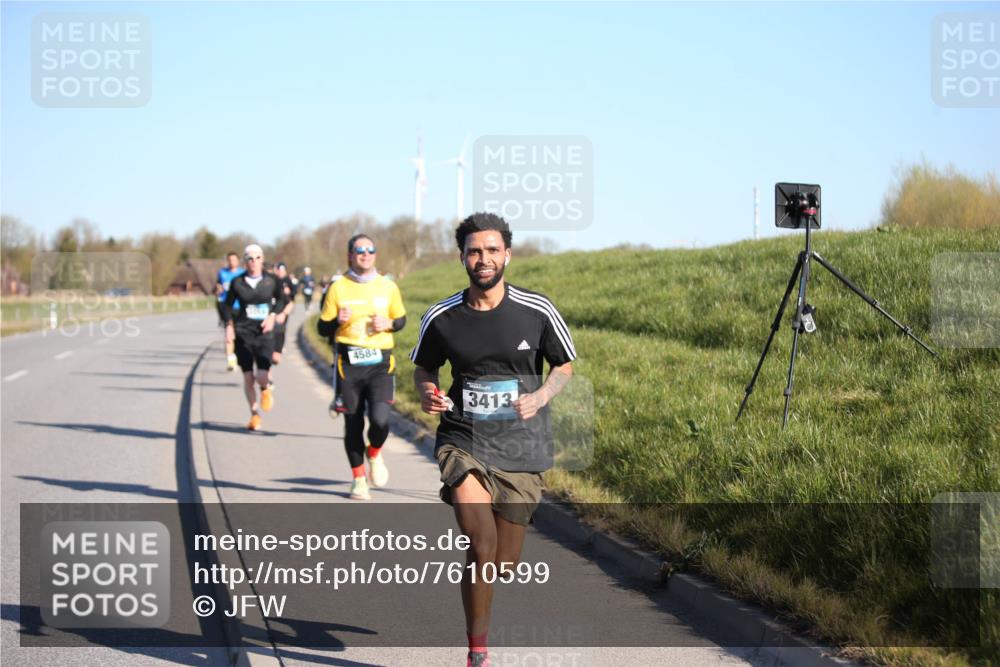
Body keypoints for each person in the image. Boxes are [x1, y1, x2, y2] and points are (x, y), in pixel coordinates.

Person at [411, 213, 575, 667]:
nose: (483, 258)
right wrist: (428, 392)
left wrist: (541, 396)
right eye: (474, 251)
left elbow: (564, 367)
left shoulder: (537, 310)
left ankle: (482, 607)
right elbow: (424, 368)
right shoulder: (442, 316)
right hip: (463, 437)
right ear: (462, 256)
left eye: (491, 250)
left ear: (507, 254)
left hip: (521, 445)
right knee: (479, 543)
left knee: (503, 562)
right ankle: (477, 653)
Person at [317, 234, 406, 501]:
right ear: (350, 255)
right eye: (359, 250)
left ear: (375, 255)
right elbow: (322, 328)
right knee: (353, 424)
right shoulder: (338, 287)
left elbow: (400, 320)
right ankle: (358, 479)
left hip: (380, 363)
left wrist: (388, 324)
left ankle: (375, 453)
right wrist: (335, 321)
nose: (365, 254)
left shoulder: (388, 286)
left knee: (380, 421)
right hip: (349, 364)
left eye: (370, 250)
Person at [223, 244, 288, 431]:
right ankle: (254, 414)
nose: (254, 262)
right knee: (248, 377)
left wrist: (272, 316)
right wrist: (229, 327)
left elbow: (282, 301)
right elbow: (227, 306)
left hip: (265, 333)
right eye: (250, 258)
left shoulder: (272, 281)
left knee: (261, 375)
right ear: (245, 261)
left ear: (262, 259)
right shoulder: (237, 283)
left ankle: (265, 388)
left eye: (257, 257)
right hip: (244, 332)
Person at [269, 261, 297, 389]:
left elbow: (291, 301)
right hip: (265, 328)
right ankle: (268, 379)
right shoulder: (260, 290)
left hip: (280, 321)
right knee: (265, 355)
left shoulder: (283, 284)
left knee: (276, 358)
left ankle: (278, 349)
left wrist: (284, 314)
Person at [215, 252, 244, 371]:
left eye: (234, 260)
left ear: (238, 261)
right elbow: (217, 287)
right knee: (228, 333)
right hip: (227, 307)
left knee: (239, 335)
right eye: (230, 260)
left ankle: (237, 355)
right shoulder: (222, 273)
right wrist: (218, 289)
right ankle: (231, 360)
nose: (232, 262)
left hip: (240, 307)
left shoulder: (242, 273)